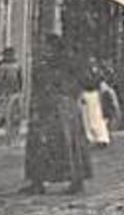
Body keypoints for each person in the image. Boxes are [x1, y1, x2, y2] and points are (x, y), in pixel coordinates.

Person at [22, 34, 90, 195]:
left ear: (54, 47)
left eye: (46, 46)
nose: (42, 49)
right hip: (47, 107)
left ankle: (75, 181)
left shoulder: (67, 64)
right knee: (38, 145)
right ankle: (37, 181)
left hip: (61, 108)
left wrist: (67, 95)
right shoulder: (42, 64)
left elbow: (83, 82)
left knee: (65, 144)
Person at [79, 57, 111, 147]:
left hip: (95, 93)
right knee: (87, 117)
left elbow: (101, 81)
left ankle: (101, 138)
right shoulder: (84, 72)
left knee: (97, 116)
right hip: (86, 93)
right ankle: (91, 138)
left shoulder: (97, 72)